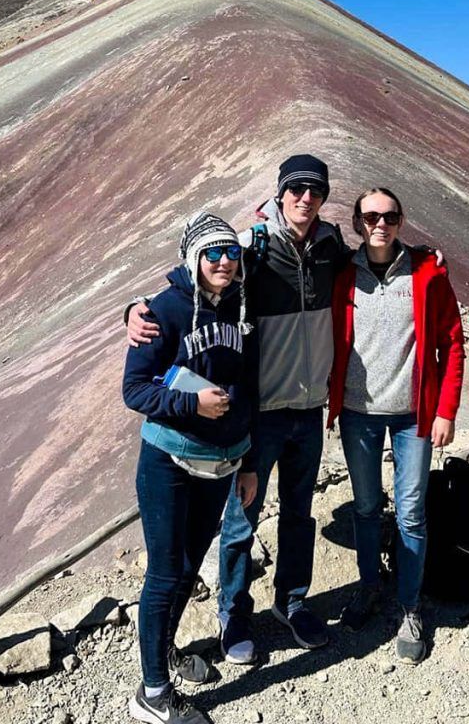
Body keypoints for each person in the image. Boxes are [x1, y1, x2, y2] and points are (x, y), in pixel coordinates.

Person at [128, 155, 350, 664]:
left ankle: (292, 602)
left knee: (299, 513)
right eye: (296, 188)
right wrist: (134, 310)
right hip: (260, 411)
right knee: (240, 519)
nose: (305, 198)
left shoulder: (331, 248)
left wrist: (422, 257)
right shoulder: (251, 248)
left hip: (308, 406)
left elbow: (374, 261)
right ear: (280, 192)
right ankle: (233, 613)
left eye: (315, 190)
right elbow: (197, 279)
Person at [122, 210, 259, 724]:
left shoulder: (242, 307)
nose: (223, 262)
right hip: (169, 460)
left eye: (231, 252)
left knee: (187, 567)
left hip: (220, 464)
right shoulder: (164, 310)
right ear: (193, 258)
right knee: (163, 572)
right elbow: (135, 389)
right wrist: (191, 404)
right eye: (212, 253)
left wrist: (248, 461)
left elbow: (251, 390)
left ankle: (164, 652)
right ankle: (153, 693)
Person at [327, 187, 465, 664]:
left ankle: (410, 606)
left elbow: (452, 343)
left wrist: (446, 410)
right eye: (370, 217)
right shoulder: (342, 273)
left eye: (389, 217)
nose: (380, 225)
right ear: (357, 223)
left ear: (401, 221)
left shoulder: (427, 273)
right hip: (358, 412)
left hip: (414, 415)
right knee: (366, 508)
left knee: (410, 512)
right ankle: (369, 586)